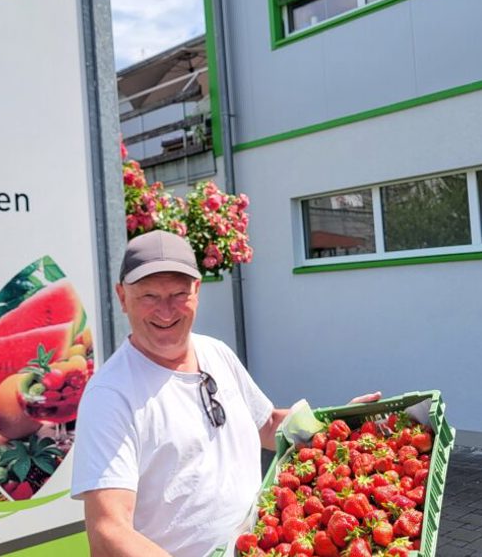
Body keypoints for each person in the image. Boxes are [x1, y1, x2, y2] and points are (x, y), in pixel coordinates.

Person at [71, 230, 378, 557]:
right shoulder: (111, 394)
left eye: (178, 293)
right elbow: (108, 530)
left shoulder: (216, 353)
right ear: (122, 298)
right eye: (149, 296)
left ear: (197, 291)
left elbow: (269, 426)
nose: (165, 310)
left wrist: (337, 423)